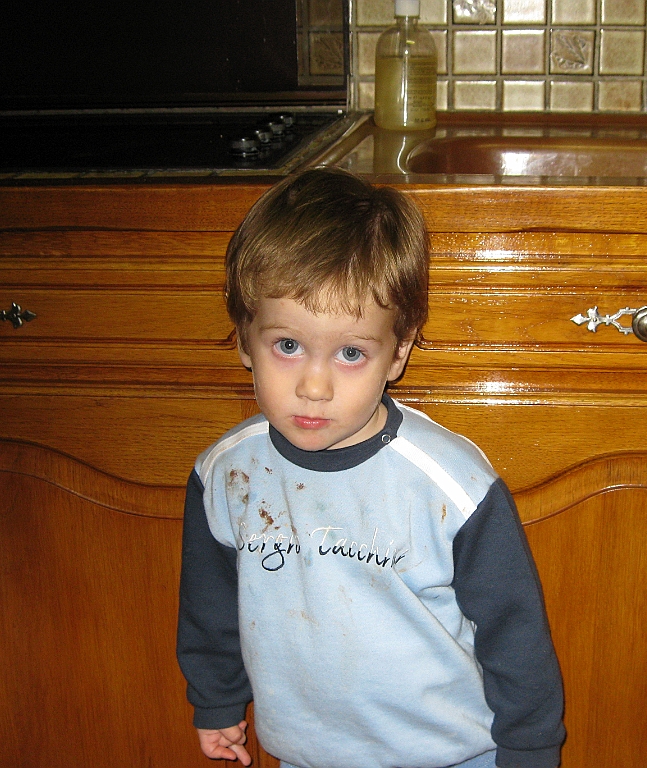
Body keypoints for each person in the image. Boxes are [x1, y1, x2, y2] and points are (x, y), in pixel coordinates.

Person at [177, 167, 565, 768]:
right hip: (307, 755)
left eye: (351, 353)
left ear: (398, 351)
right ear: (245, 338)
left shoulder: (451, 484)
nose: (314, 386)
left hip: (452, 756)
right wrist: (216, 701)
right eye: (287, 346)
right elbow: (210, 610)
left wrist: (531, 750)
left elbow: (514, 634)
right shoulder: (224, 476)